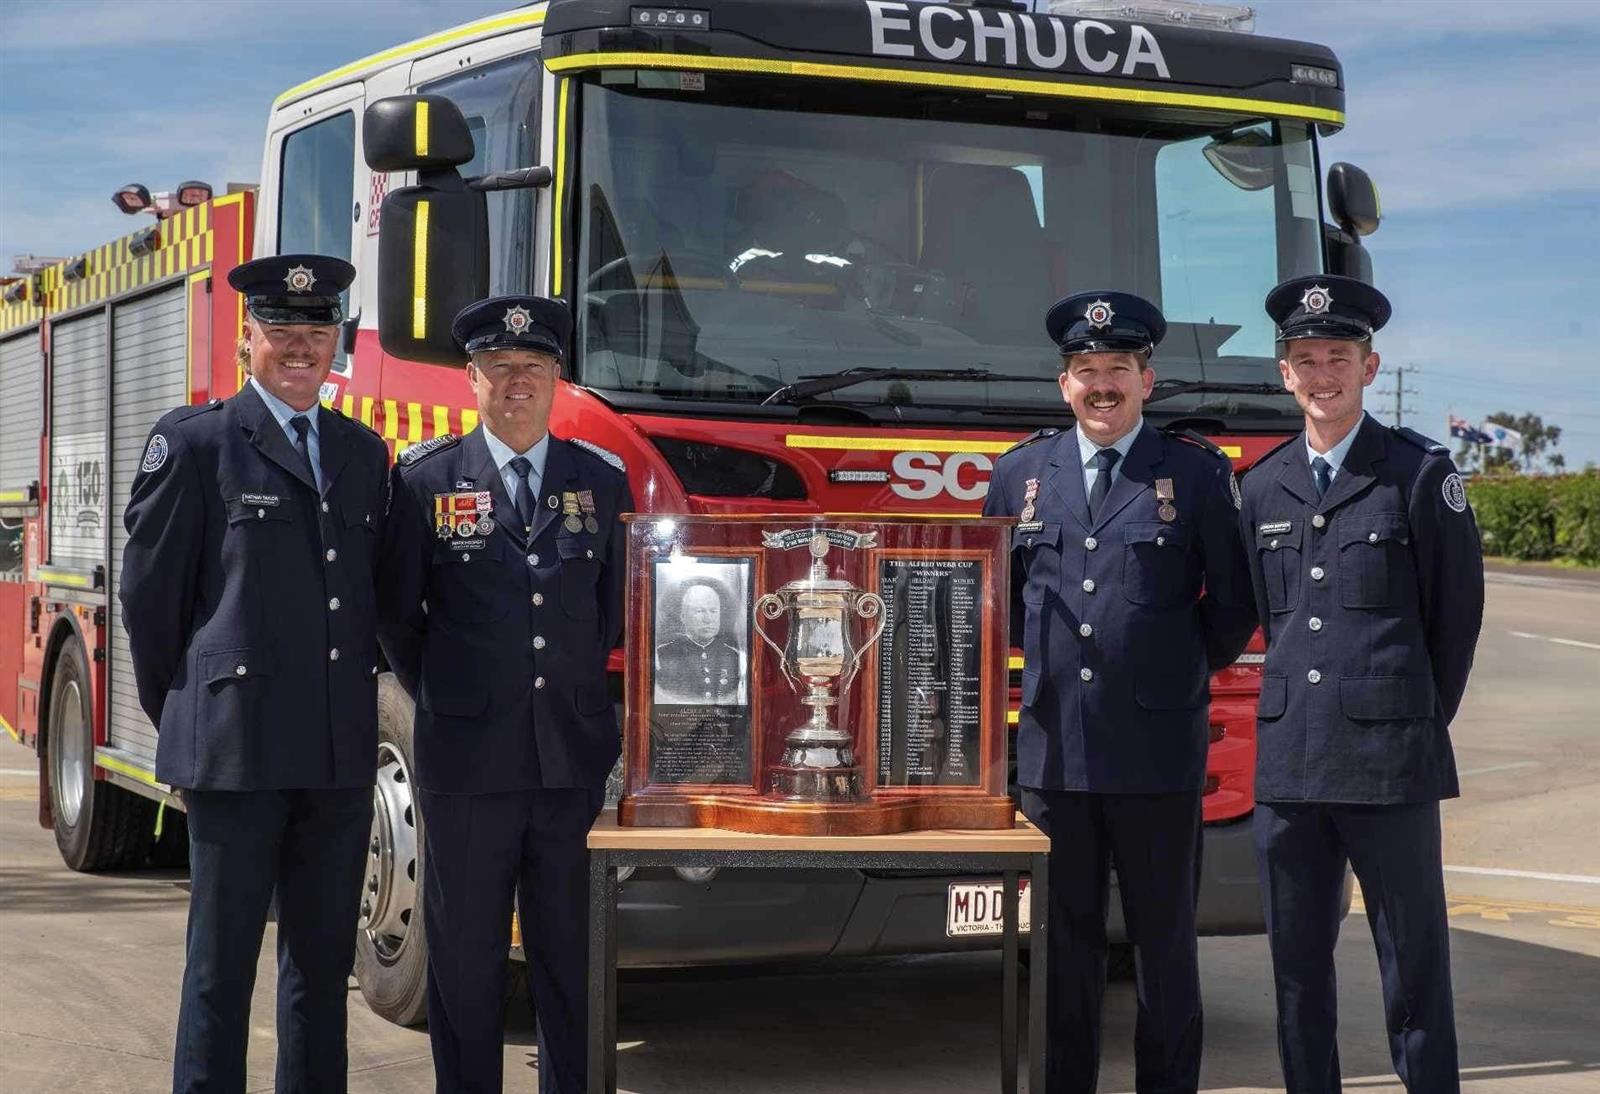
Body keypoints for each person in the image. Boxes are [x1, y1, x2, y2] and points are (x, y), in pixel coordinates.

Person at [120, 254, 390, 1092]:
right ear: (249, 341)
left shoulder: (362, 452)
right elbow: (150, 605)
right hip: (235, 758)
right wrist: (193, 723)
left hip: (338, 759)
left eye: (316, 330)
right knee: (221, 972)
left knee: (320, 978)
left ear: (337, 339)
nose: (300, 346)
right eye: (282, 331)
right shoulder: (198, 444)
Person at [982, 290, 1256, 1094]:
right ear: (1063, 384)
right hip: (1054, 756)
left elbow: (1233, 605)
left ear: (1148, 380)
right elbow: (999, 601)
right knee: (1062, 951)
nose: (1102, 386)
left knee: (1164, 949)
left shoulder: (1196, 474)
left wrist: (1168, 675)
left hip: (1157, 755)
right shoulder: (1020, 475)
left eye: (1118, 370)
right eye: (1085, 371)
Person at [378, 294, 631, 1094]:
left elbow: (613, 608)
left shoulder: (602, 481)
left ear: (557, 378)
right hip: (467, 763)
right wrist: (456, 693)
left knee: (570, 960)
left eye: (534, 367)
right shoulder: (425, 480)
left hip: (570, 763)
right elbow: (397, 616)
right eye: (500, 367)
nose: (517, 382)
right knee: (465, 961)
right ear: (471, 378)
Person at [1240, 275, 1484, 1093]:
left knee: (1413, 967)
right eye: (1304, 360)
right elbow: (1271, 622)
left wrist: (1406, 717)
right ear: (1284, 375)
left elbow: (1455, 622)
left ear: (1370, 367)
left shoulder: (1417, 473)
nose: (1322, 374)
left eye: (1337, 357)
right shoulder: (1260, 485)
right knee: (1296, 975)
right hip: (1291, 768)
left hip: (1389, 764)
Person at [654, 581, 744, 704]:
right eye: (699, 611)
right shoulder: (662, 655)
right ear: (683, 616)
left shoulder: (734, 656)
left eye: (713, 611)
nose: (708, 619)